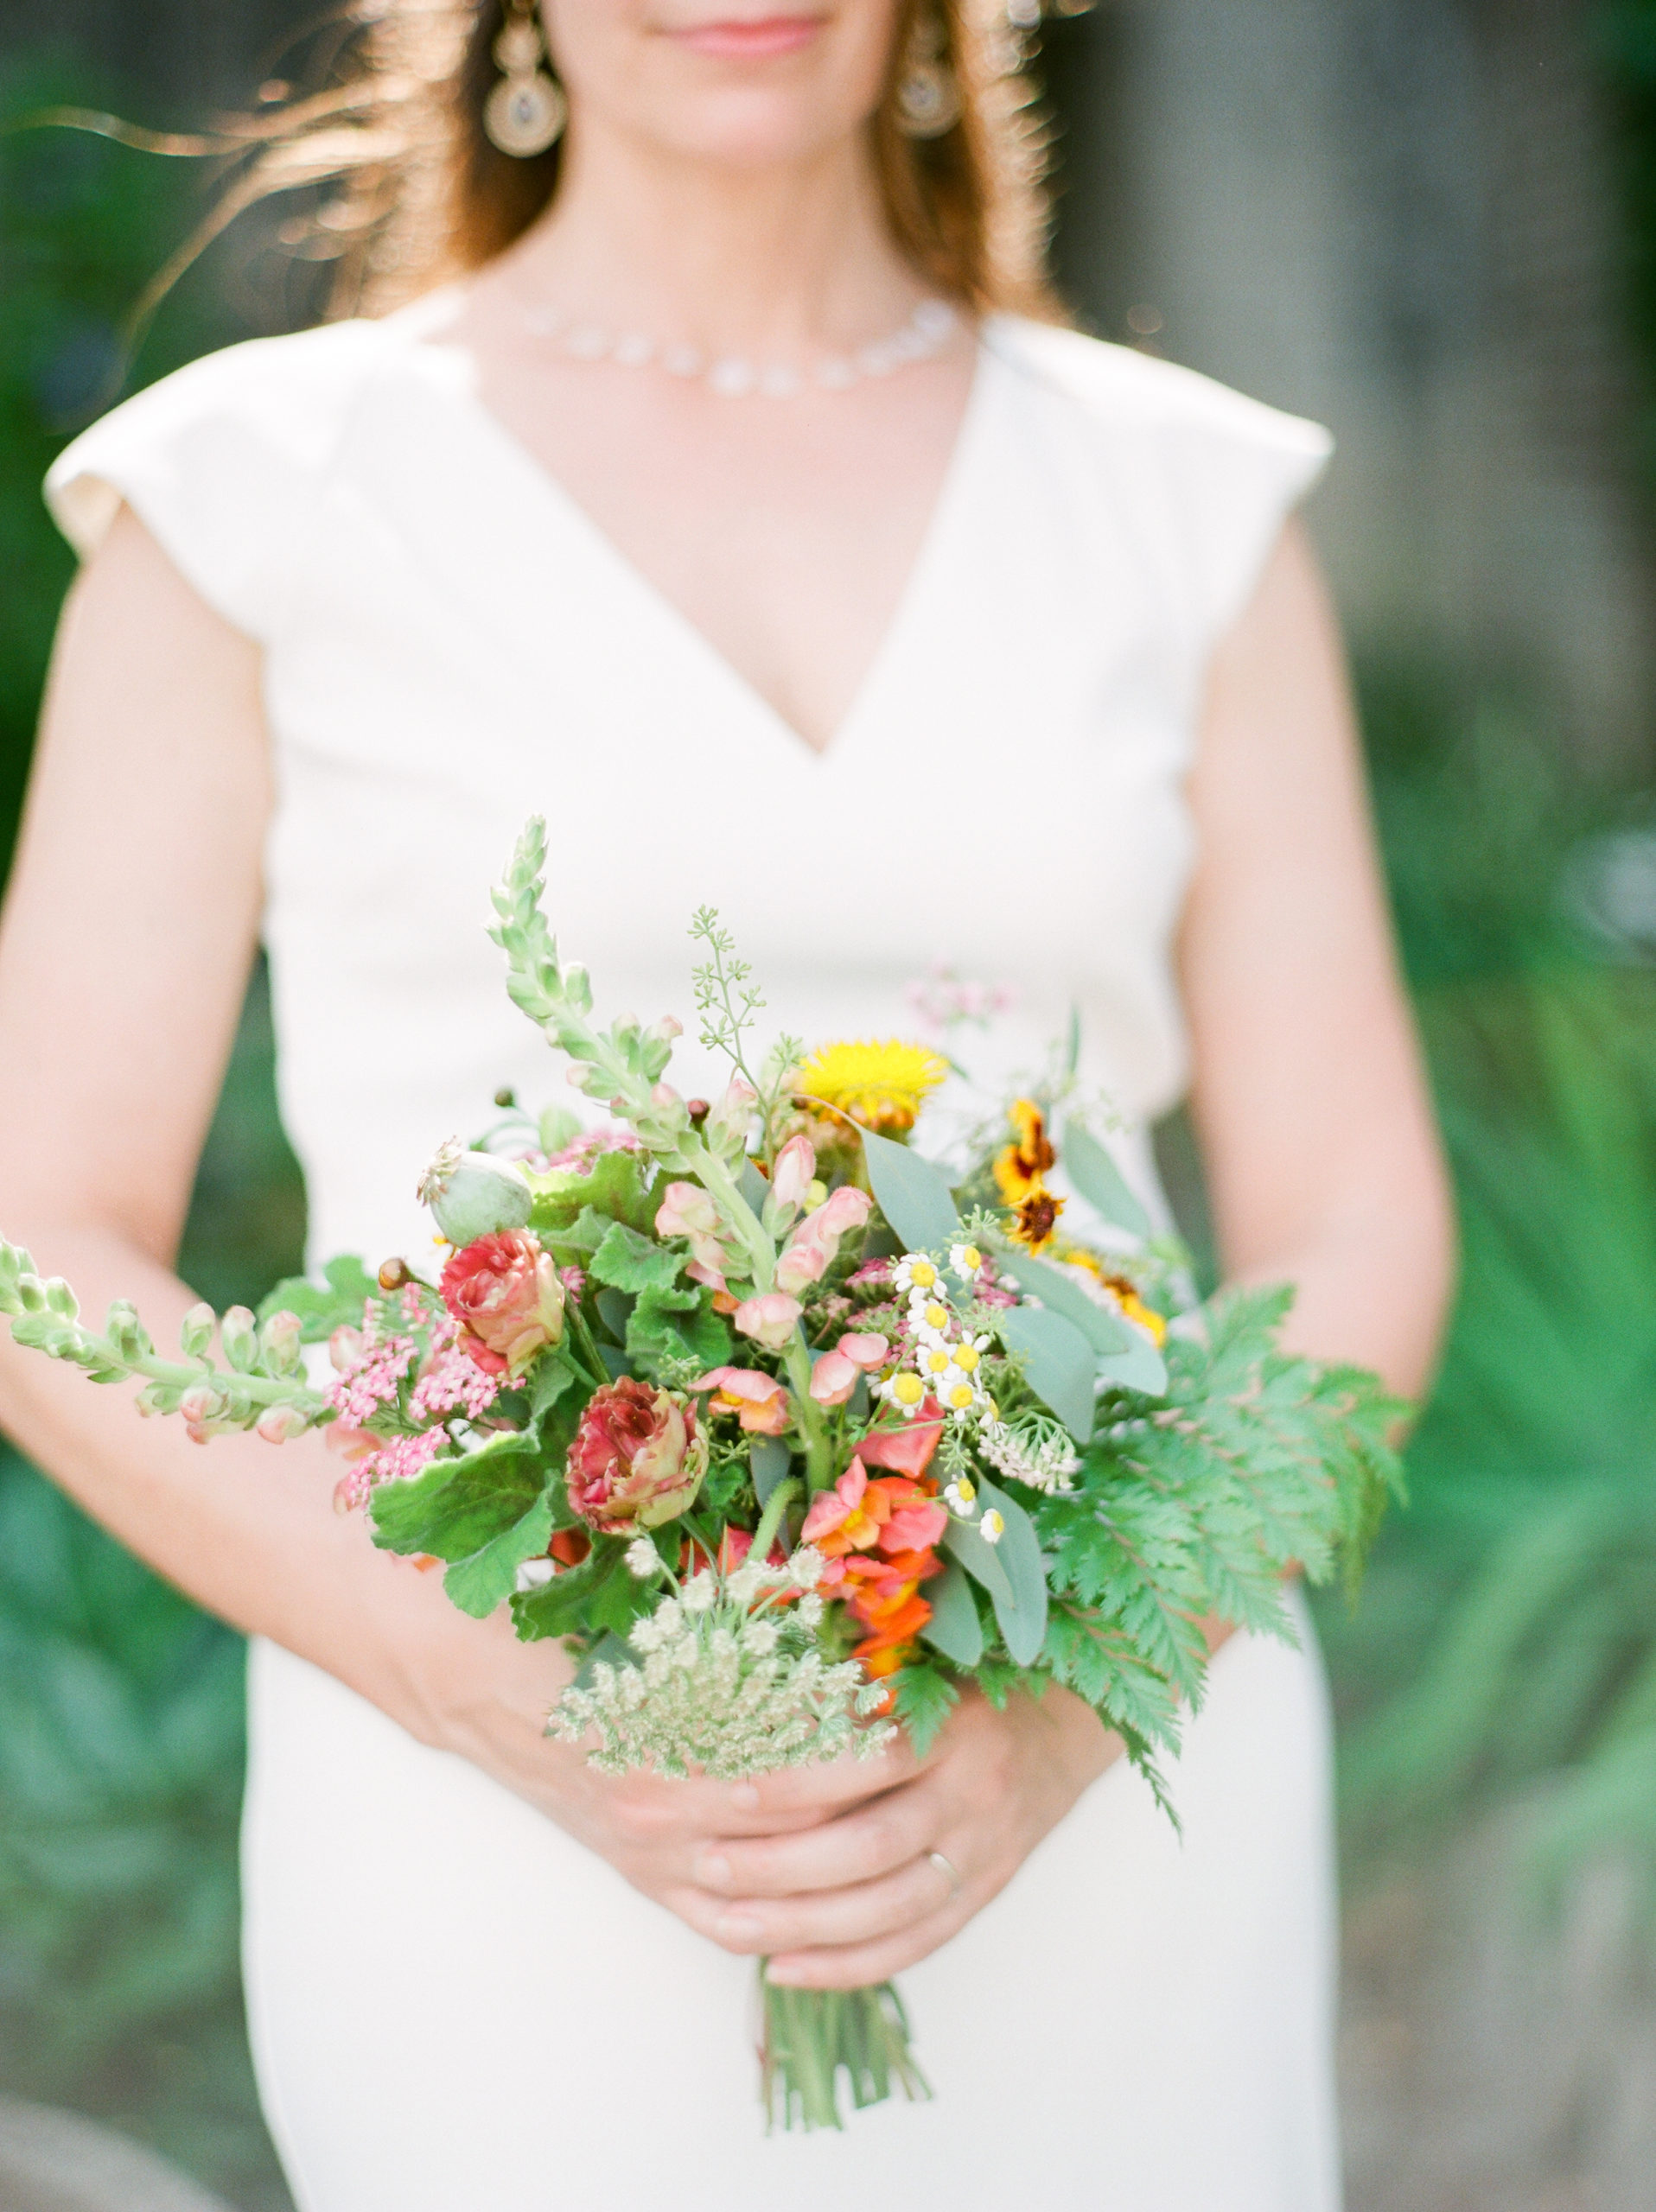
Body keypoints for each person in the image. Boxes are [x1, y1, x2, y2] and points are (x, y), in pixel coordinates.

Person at [0, 0, 1453, 2204]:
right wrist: (523, 1703)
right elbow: (35, 1233)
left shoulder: (1183, 505)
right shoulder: (255, 499)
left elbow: (1357, 1216)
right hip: (499, 1837)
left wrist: (1072, 1704)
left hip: (1116, 1794)